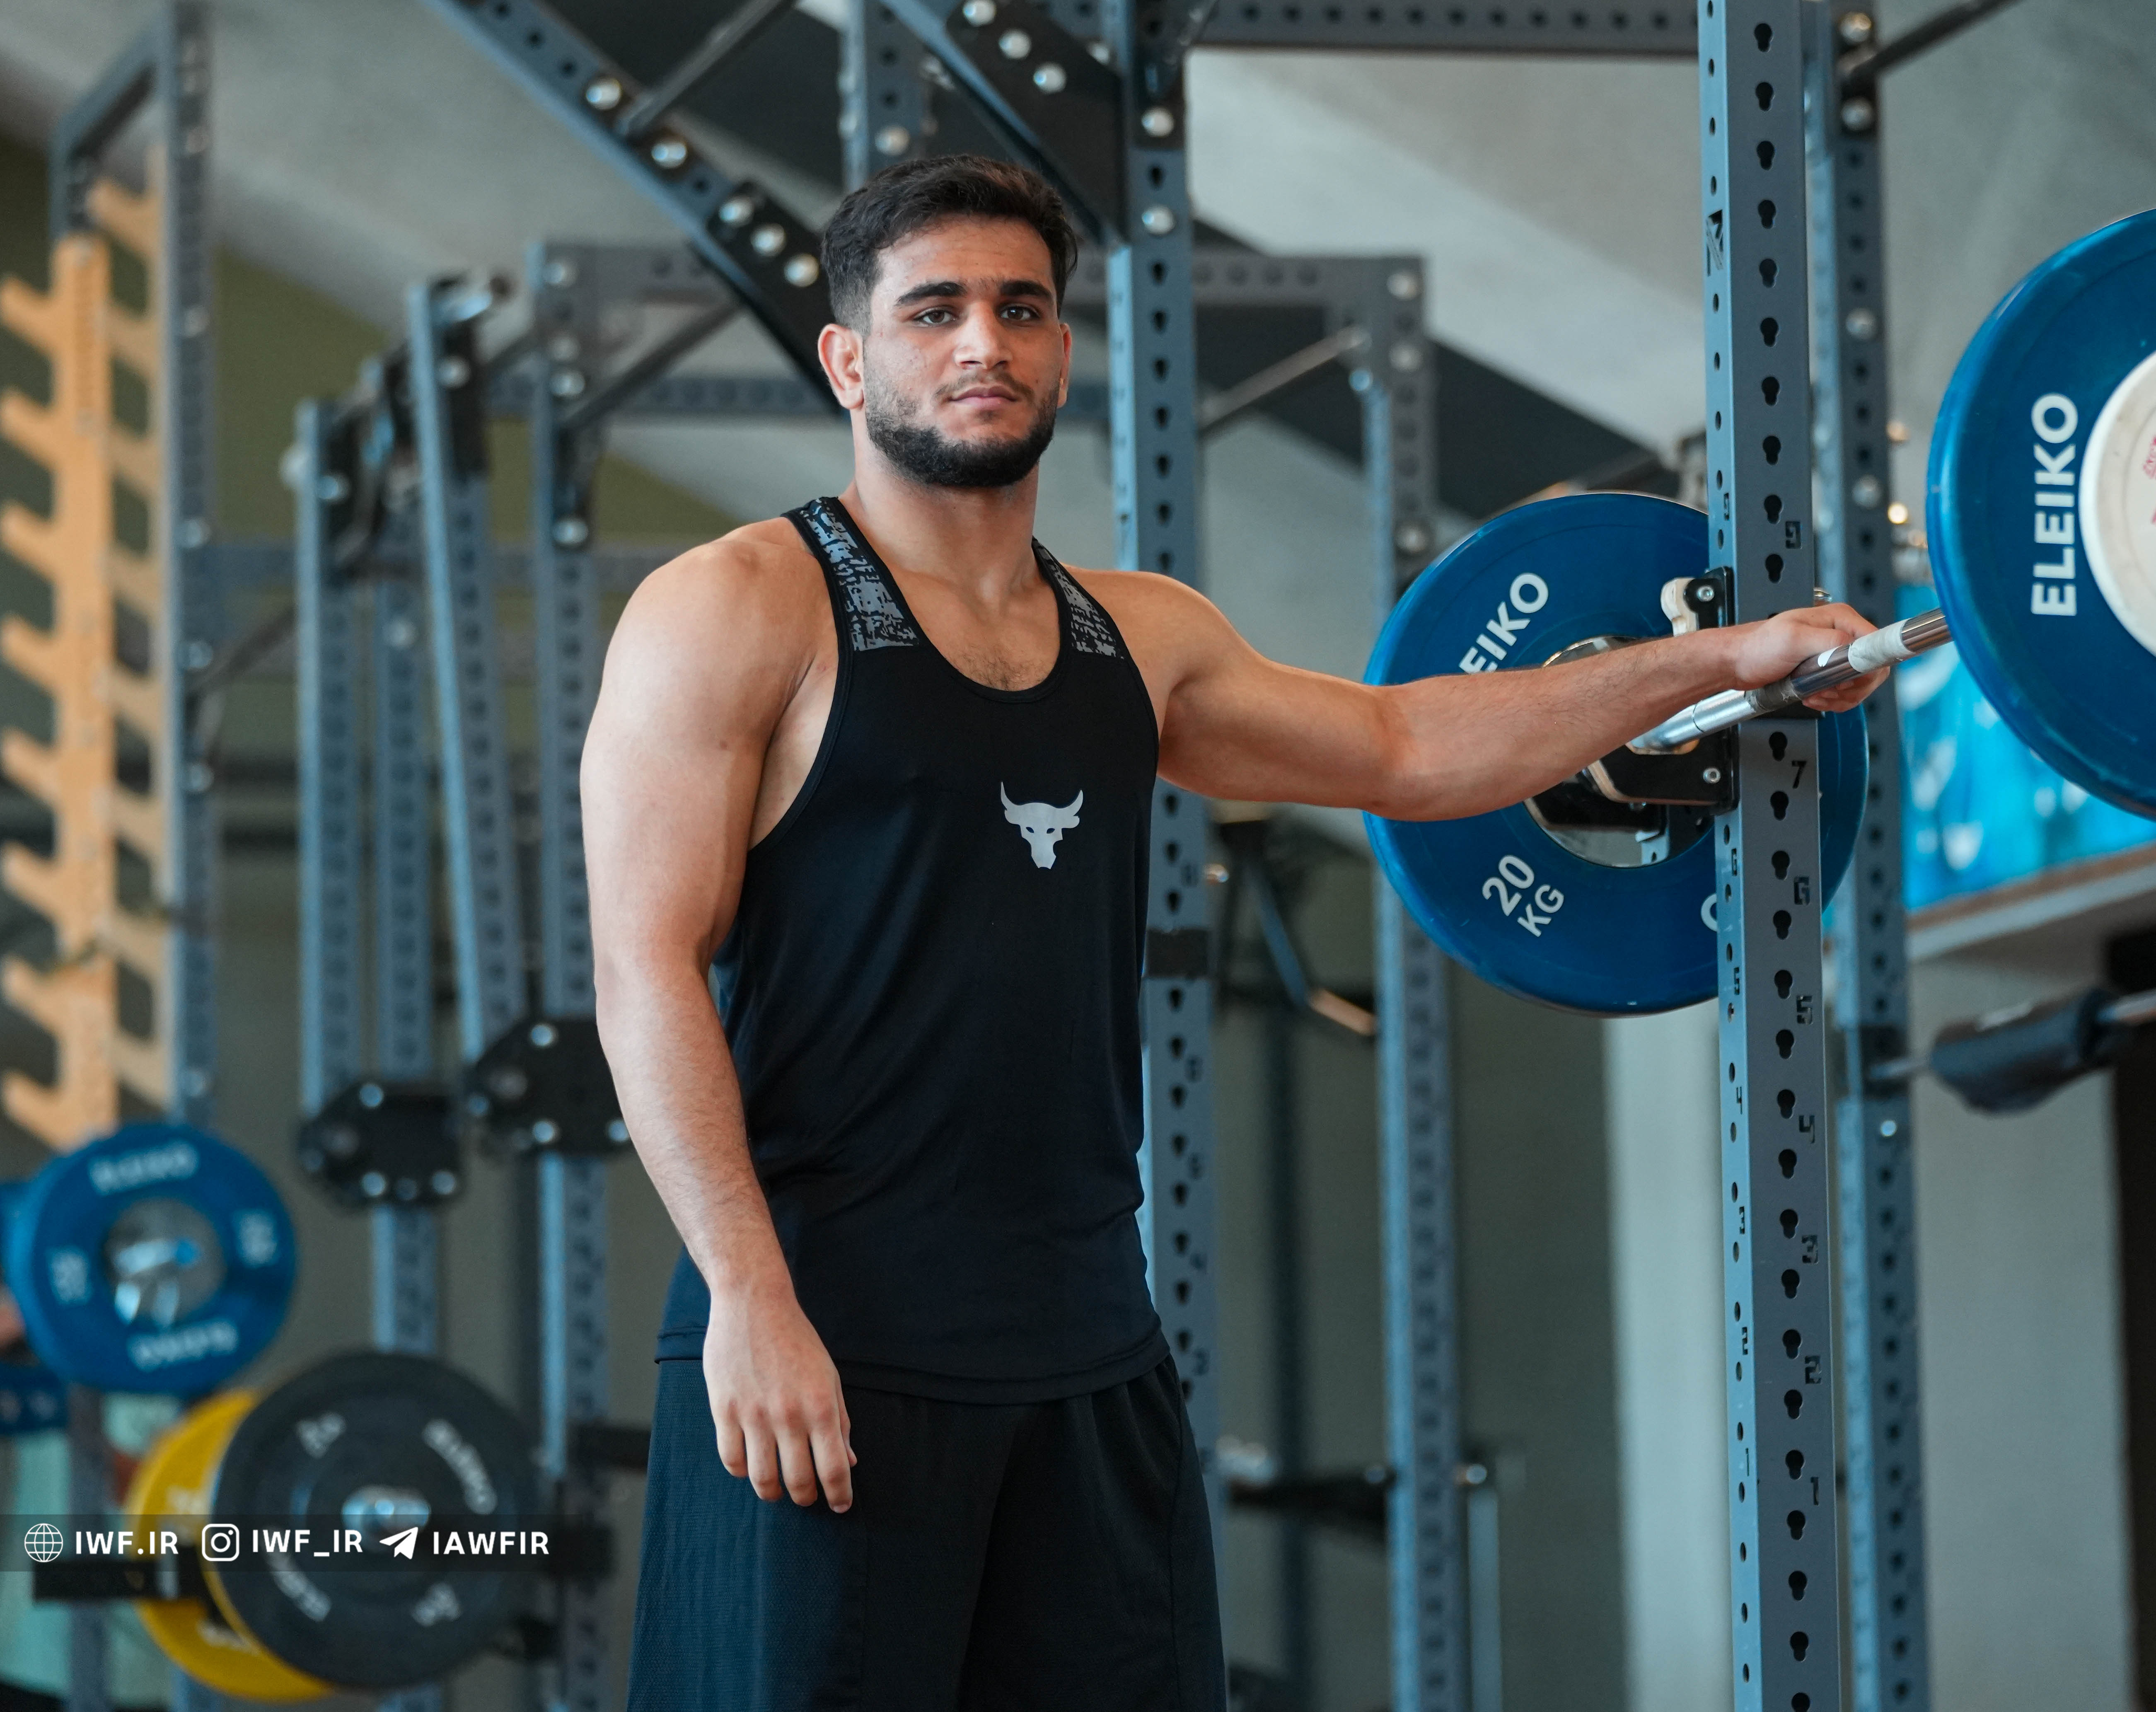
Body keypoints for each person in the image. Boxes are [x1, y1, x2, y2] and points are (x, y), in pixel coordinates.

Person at [585, 152, 1885, 1710]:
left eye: (1021, 308)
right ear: (850, 362)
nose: (985, 342)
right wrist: (747, 1295)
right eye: (933, 312)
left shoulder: (1143, 635)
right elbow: (644, 967)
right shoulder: (737, 607)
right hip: (820, 1338)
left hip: (1086, 1344)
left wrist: (1724, 661)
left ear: (1064, 348)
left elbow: (1404, 748)